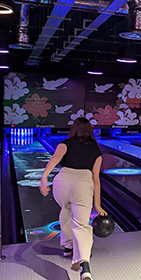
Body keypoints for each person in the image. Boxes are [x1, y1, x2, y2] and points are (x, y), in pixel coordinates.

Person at [39, 117, 107, 280]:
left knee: (66, 209)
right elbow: (96, 179)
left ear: (74, 129)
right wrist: (97, 205)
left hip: (62, 182)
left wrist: (44, 178)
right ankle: (84, 266)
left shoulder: (65, 144)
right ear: (90, 130)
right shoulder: (96, 151)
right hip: (83, 184)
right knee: (81, 225)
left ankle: (68, 247)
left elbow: (54, 159)